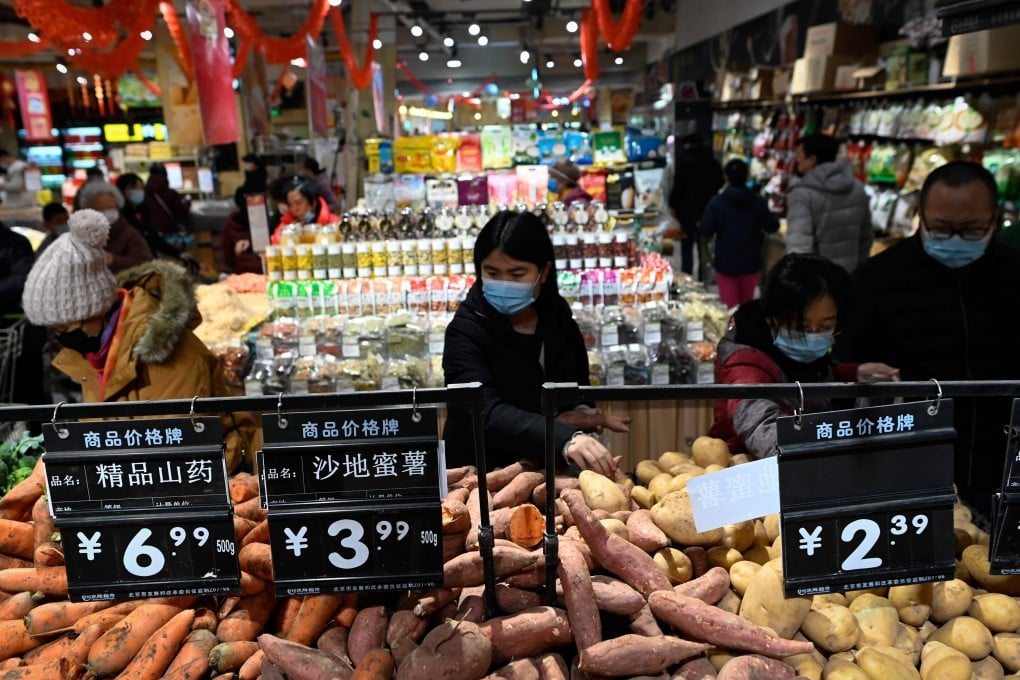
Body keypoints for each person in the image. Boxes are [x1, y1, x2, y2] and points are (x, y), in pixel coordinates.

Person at [840, 161, 1020, 519]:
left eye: (971, 229)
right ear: (920, 216)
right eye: (940, 228)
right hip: (909, 469)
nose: (954, 239)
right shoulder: (876, 279)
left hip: (1006, 466)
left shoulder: (1014, 275)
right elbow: (844, 369)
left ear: (995, 219)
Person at [21, 209, 258, 471]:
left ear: (95, 308)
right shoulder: (97, 351)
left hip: (207, 478)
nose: (59, 336)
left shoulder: (164, 353)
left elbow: (178, 453)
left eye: (65, 326)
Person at [442, 211, 630, 475]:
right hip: (479, 474)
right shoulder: (465, 330)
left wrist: (582, 413)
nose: (504, 283)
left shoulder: (557, 315)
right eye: (492, 272)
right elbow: (483, 410)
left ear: (543, 271)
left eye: (517, 274)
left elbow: (573, 383)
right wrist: (564, 436)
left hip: (546, 469)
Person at [710, 253, 899, 459]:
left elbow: (811, 373)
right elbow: (762, 428)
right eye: (802, 327)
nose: (813, 335)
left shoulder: (802, 357)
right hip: (746, 467)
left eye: (826, 326)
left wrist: (854, 373)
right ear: (772, 320)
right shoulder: (744, 363)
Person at [786, 133, 873, 273]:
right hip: (849, 275)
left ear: (812, 159)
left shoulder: (802, 194)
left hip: (818, 281)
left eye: (799, 154)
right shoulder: (857, 188)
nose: (797, 159)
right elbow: (866, 238)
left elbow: (799, 247)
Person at [699, 159, 780, 308]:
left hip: (725, 263)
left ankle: (733, 331)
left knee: (730, 309)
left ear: (726, 177)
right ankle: (747, 331)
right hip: (751, 262)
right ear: (747, 176)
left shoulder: (717, 203)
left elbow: (705, 229)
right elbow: (772, 226)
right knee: (747, 307)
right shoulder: (758, 202)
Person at [668, 133, 724, 278]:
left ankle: (687, 276)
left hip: (686, 211)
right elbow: (720, 182)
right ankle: (704, 276)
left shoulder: (684, 162)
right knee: (704, 244)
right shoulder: (712, 162)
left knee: (687, 246)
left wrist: (673, 204)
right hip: (708, 209)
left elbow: (678, 187)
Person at [115, 173, 195, 270]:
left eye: (141, 188)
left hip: (150, 265)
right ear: (121, 191)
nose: (139, 192)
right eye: (134, 188)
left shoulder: (143, 211)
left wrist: (178, 253)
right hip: (134, 268)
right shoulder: (120, 219)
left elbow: (154, 237)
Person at [76, 180, 153, 273]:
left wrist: (113, 260)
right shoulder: (81, 236)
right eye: (100, 209)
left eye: (110, 208)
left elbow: (145, 261)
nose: (106, 213)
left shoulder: (129, 234)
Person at [269, 178, 339, 245]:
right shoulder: (287, 223)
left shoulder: (333, 223)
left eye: (298, 203)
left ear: (313, 203)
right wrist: (289, 234)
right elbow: (274, 243)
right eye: (290, 205)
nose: (294, 209)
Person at [221, 187, 264, 274]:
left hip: (241, 273)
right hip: (264, 271)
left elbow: (228, 258)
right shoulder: (264, 220)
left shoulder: (230, 223)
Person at [145, 164, 191, 235]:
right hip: (170, 232)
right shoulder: (171, 193)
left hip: (152, 233)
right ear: (166, 175)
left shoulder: (145, 193)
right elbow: (181, 211)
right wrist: (188, 203)